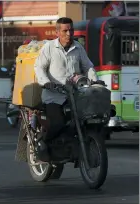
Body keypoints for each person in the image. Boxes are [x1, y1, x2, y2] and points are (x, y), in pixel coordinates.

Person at [34, 17, 98, 161]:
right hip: (54, 96)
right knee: (58, 123)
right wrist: (46, 82)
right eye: (65, 30)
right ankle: (44, 142)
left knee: (85, 120)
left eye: (71, 30)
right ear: (57, 32)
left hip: (74, 95)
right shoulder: (49, 47)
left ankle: (72, 148)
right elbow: (39, 68)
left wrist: (95, 80)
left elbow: (88, 66)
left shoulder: (78, 47)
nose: (69, 33)